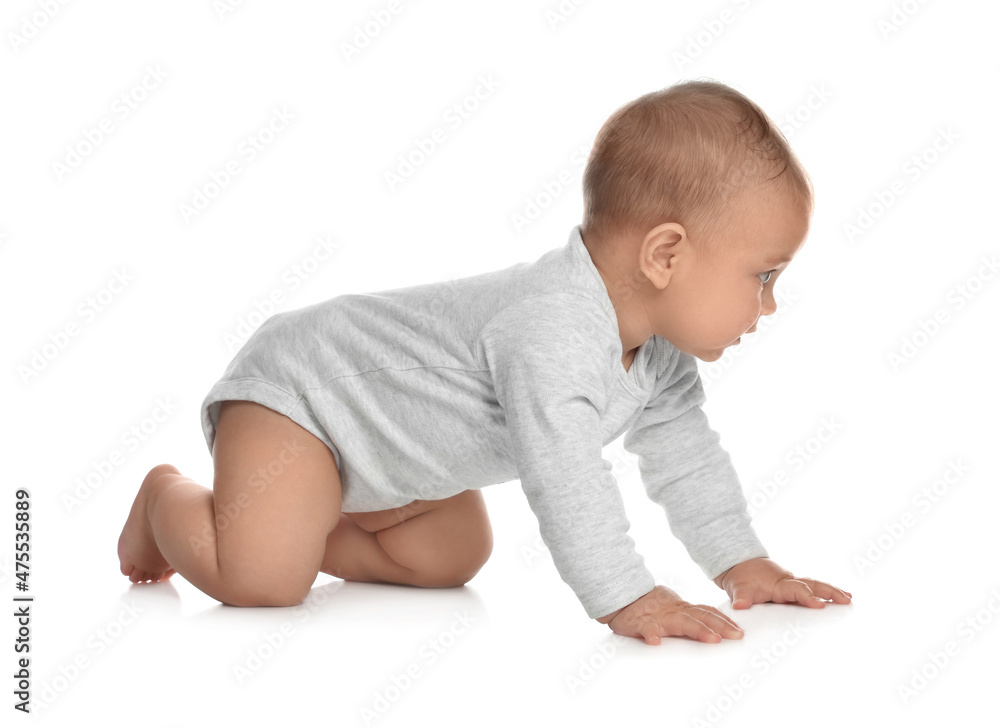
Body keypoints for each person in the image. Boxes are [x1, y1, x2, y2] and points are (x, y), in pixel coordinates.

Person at [118, 78, 852, 646]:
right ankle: (165, 501)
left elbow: (688, 462)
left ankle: (299, 520)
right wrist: (627, 595)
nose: (769, 304)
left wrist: (741, 564)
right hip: (302, 399)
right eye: (763, 275)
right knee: (264, 582)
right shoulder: (554, 327)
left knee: (450, 555)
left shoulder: (658, 357)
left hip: (383, 456)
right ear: (665, 254)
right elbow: (565, 477)